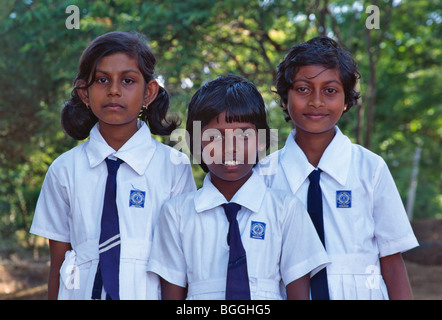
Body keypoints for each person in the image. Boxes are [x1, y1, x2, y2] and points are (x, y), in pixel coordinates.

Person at [30, 31, 196, 300]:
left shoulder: (174, 166)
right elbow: (58, 263)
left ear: (149, 92)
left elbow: (181, 262)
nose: (114, 90)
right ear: (84, 92)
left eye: (128, 80)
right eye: (102, 80)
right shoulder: (64, 170)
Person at [256, 36, 418, 300]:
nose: (317, 101)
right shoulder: (264, 176)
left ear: (346, 101)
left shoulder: (370, 168)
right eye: (303, 89)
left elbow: (392, 261)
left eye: (330, 90)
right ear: (285, 99)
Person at [147, 74, 329, 300]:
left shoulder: (285, 210)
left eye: (244, 135)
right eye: (216, 136)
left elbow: (299, 294)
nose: (230, 147)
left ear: (261, 142)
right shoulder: (177, 214)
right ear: (195, 143)